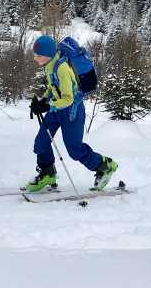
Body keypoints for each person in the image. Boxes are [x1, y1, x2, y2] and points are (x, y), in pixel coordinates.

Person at [23, 34, 118, 192]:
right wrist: (43, 101)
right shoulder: (49, 65)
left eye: (38, 55)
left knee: (75, 150)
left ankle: (105, 166)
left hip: (72, 111)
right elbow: (53, 87)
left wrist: (48, 105)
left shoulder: (62, 69)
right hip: (56, 109)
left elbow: (68, 98)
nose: (35, 58)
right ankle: (48, 173)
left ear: (47, 55)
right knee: (41, 142)